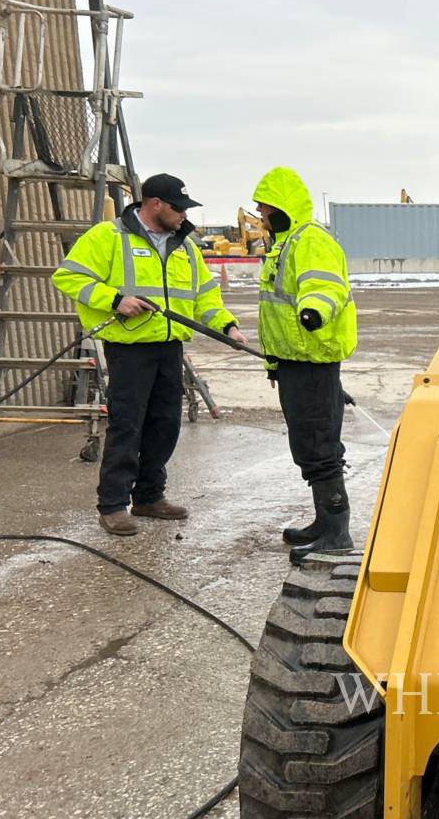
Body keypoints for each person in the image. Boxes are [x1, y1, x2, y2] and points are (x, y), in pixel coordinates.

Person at [52, 174, 245, 535]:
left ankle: (149, 496)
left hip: (170, 346)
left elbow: (205, 295)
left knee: (164, 424)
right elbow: (68, 277)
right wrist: (114, 300)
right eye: (178, 208)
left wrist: (227, 326)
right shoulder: (108, 237)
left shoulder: (183, 245)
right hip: (129, 348)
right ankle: (112, 504)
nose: (183, 216)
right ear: (154, 204)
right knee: (128, 426)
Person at [251, 166, 357, 563]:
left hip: (312, 359)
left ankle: (336, 531)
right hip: (294, 361)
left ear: (282, 206)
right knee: (308, 443)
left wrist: (313, 311)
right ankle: (324, 521)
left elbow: (325, 285)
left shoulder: (310, 240)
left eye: (265, 207)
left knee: (318, 443)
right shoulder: (284, 244)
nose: (261, 214)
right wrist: (276, 361)